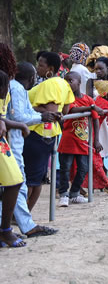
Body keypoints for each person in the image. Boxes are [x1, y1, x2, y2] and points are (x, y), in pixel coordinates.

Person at [4, 62, 59, 238]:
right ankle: (25, 226)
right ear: (32, 77)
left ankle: (15, 226)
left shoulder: (15, 87)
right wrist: (41, 117)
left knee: (15, 183)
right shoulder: (16, 88)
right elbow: (18, 116)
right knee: (16, 182)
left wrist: (43, 117)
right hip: (12, 141)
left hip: (15, 141)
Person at [23, 51, 75, 212]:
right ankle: (21, 214)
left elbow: (51, 112)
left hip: (37, 133)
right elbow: (65, 110)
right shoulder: (63, 83)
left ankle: (22, 214)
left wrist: (27, 107)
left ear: (50, 68)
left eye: (41, 65)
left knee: (31, 177)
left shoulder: (50, 84)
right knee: (35, 176)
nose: (38, 68)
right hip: (49, 134)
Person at [57, 72, 105, 207]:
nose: (68, 83)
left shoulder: (88, 99)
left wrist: (96, 140)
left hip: (83, 141)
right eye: (66, 81)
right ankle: (63, 194)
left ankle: (74, 193)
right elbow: (72, 111)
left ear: (79, 83)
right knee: (65, 168)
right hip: (68, 140)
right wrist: (91, 107)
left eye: (71, 80)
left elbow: (95, 118)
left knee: (83, 168)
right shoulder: (67, 99)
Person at [0, 70, 27, 248]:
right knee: (13, 182)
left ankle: (4, 230)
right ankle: (5, 231)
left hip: (2, 144)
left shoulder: (4, 98)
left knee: (15, 181)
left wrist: (19, 125)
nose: (8, 89)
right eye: (5, 86)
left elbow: (2, 119)